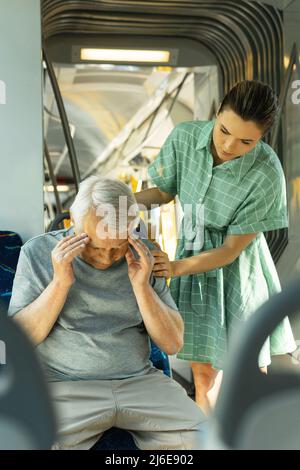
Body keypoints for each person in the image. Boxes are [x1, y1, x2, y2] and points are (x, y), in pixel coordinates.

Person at [8, 177, 207, 450]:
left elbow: (172, 343)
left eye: (117, 247)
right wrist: (60, 283)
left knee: (206, 440)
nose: (105, 258)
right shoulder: (38, 253)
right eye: (94, 247)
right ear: (72, 226)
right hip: (64, 387)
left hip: (139, 382)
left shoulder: (145, 255)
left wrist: (141, 286)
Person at [135, 80, 296, 415]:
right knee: (204, 374)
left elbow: (230, 251)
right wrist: (119, 199)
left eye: (245, 141)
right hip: (192, 258)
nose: (228, 145)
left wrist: (175, 267)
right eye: (224, 130)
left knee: (247, 369)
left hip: (239, 272)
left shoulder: (267, 174)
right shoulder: (184, 137)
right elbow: (163, 193)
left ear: (262, 137)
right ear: (217, 113)